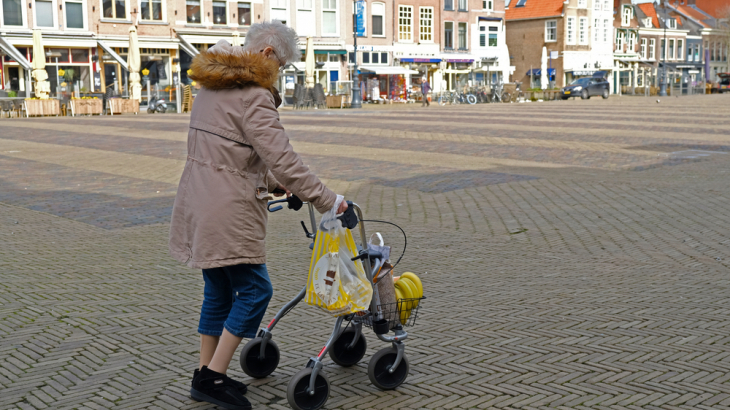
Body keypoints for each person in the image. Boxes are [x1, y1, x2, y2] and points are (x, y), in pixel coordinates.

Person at [168, 21, 347, 410]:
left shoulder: (211, 83)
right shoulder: (253, 95)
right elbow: (282, 158)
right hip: (227, 206)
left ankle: (205, 373)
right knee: (256, 290)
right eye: (281, 65)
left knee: (217, 289)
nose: (279, 73)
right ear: (267, 54)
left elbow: (229, 150)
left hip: (199, 198)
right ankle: (215, 377)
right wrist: (327, 200)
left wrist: (276, 184)